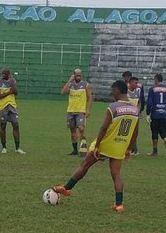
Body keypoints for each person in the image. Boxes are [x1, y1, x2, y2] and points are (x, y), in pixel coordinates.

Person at [53, 80, 139, 213]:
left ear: (117, 91)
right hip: (120, 145)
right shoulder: (135, 109)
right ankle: (119, 204)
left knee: (85, 164)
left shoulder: (113, 107)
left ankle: (67, 188)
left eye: (112, 91)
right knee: (116, 174)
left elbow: (104, 128)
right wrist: (129, 148)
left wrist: (97, 145)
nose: (112, 94)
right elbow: (135, 131)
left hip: (105, 143)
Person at [61, 68, 93, 155]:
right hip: (71, 111)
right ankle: (75, 150)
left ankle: (84, 149)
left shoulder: (85, 85)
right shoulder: (70, 84)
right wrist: (69, 81)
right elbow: (63, 92)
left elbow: (90, 97)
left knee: (81, 129)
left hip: (80, 111)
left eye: (80, 75)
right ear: (74, 75)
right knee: (72, 131)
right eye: (77, 75)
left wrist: (88, 110)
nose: (78, 77)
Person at [0, 68, 24, 154]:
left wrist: (12, 83)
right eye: (2, 75)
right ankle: (4, 147)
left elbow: (16, 92)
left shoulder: (12, 81)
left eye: (5, 75)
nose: (3, 76)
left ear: (9, 74)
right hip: (3, 106)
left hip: (12, 106)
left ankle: (17, 147)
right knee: (3, 126)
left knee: (16, 125)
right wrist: (9, 92)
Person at [127, 77, 145, 155]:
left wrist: (138, 110)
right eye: (135, 83)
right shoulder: (125, 92)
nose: (137, 85)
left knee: (135, 132)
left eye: (137, 83)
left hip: (135, 116)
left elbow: (139, 102)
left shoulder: (137, 92)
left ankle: (133, 149)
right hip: (126, 115)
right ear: (130, 83)